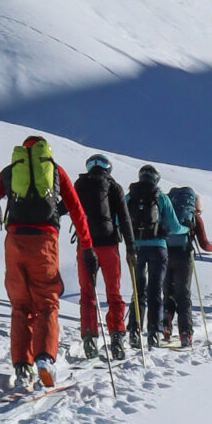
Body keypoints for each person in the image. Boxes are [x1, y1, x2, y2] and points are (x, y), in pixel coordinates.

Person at [0, 134, 93, 390]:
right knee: (47, 303)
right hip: (45, 242)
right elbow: (77, 210)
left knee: (20, 305)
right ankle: (44, 361)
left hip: (15, 241)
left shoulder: (10, 172)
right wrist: (87, 246)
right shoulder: (56, 172)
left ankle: (21, 366)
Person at [74, 153, 135, 360]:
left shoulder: (80, 184)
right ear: (108, 168)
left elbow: (66, 208)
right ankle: (116, 337)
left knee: (87, 294)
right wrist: (131, 248)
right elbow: (125, 219)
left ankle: (89, 338)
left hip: (85, 245)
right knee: (113, 293)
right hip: (109, 245)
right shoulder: (114, 186)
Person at [162, 182, 212, 345]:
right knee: (183, 295)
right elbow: (204, 245)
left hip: (166, 255)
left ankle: (166, 321)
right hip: (185, 257)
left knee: (168, 293)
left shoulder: (169, 215)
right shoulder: (195, 219)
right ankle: (185, 334)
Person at [126, 163, 173, 347]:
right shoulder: (161, 198)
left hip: (136, 248)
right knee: (155, 290)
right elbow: (174, 225)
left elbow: (118, 219)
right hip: (158, 248)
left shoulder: (130, 196)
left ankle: (134, 331)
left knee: (138, 291)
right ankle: (154, 332)